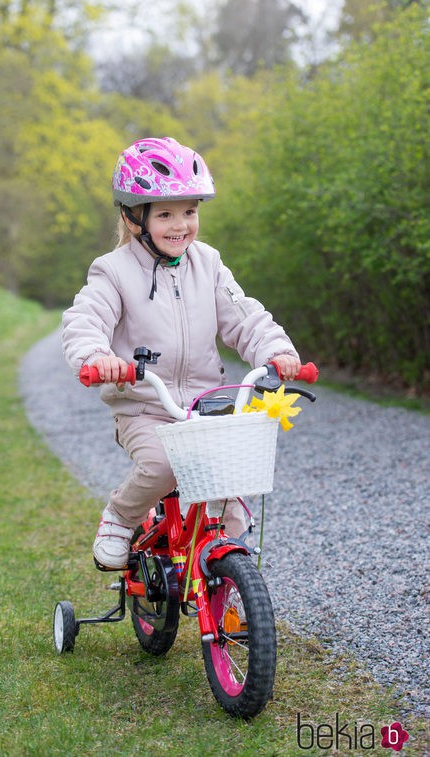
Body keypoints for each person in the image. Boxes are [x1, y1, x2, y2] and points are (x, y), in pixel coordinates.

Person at [62, 137, 301, 570]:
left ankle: (228, 584)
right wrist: (97, 357)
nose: (181, 225)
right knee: (161, 466)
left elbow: (243, 317)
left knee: (229, 497)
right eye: (166, 214)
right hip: (146, 408)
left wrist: (276, 350)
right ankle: (119, 517)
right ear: (135, 218)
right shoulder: (113, 271)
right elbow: (85, 320)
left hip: (206, 408)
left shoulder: (208, 263)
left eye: (189, 212)